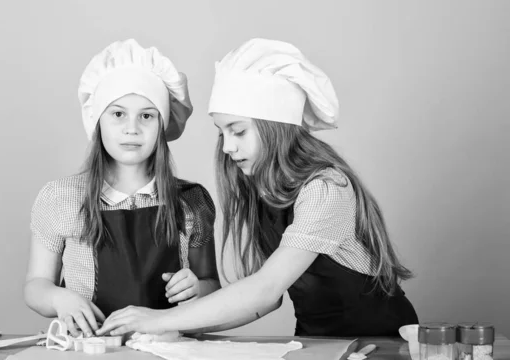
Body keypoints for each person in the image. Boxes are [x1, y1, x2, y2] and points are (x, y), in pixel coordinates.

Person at [96, 38, 419, 337]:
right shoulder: (266, 192)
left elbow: (265, 288)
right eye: (222, 133)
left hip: (380, 343)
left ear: (274, 128)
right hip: (318, 345)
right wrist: (180, 330)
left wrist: (158, 320)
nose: (226, 147)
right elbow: (264, 301)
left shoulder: (326, 188)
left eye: (238, 131)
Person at [24, 39, 220, 338]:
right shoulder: (61, 198)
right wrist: (59, 298)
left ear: (162, 124)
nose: (132, 128)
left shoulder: (192, 200)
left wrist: (197, 288)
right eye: (118, 114)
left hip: (168, 348)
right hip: (90, 349)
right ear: (98, 121)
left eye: (146, 115)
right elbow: (36, 285)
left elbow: (211, 284)